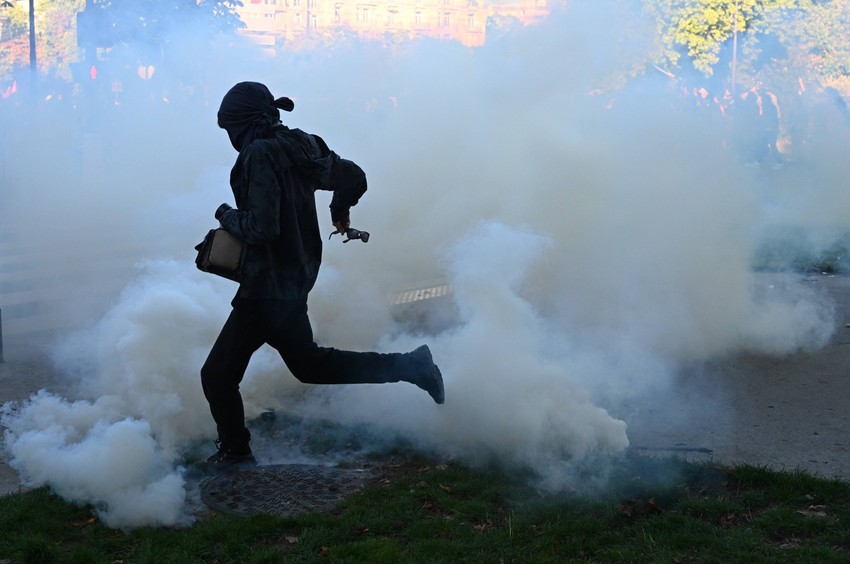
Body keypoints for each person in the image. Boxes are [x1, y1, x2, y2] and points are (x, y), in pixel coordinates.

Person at [201, 81, 445, 467]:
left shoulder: (259, 154)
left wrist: (225, 217)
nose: (230, 136)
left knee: (217, 375)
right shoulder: (302, 145)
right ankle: (411, 366)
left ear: (244, 123)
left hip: (267, 286)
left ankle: (235, 452)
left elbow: (263, 228)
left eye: (231, 127)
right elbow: (353, 176)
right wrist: (339, 208)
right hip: (295, 277)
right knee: (310, 365)